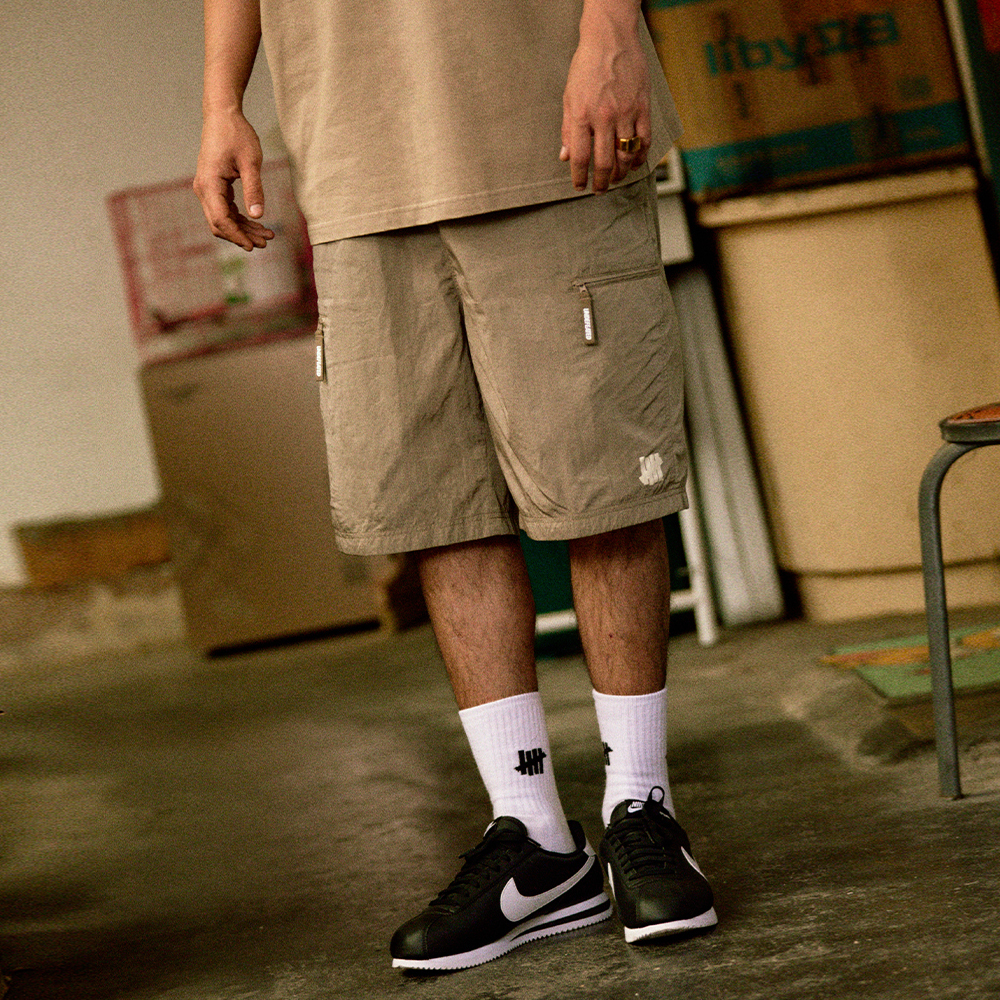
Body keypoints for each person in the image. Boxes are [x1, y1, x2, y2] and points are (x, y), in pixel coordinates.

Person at [195, 0, 717, 972]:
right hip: (352, 158)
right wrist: (221, 102)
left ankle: (643, 804)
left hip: (547, 126)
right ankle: (535, 837)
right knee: (439, 506)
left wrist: (610, 30)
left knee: (602, 486)